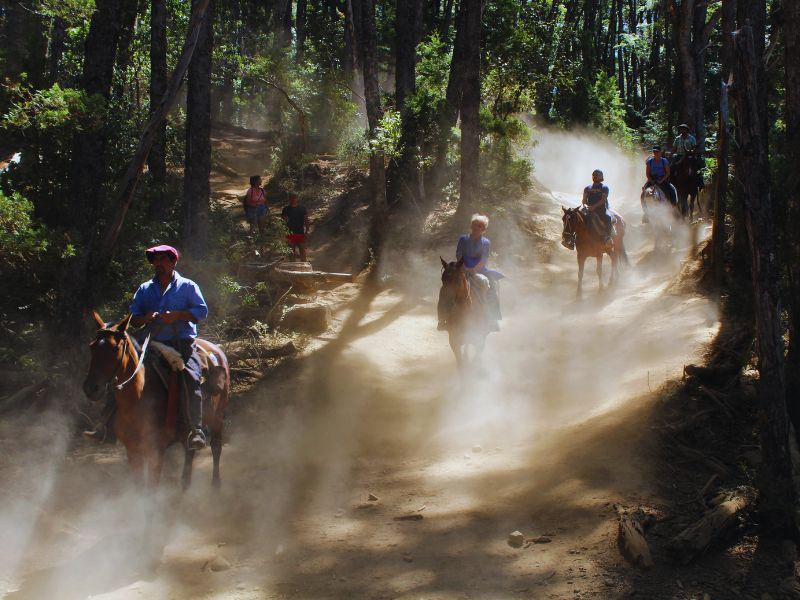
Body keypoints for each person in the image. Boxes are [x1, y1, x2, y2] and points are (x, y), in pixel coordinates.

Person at [84, 245, 210, 450]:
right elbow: (133, 319)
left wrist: (178, 315)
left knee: (191, 377)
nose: (157, 264)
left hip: (181, 343)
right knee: (120, 373)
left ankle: (195, 430)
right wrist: (145, 318)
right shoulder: (144, 289)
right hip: (150, 343)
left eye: (162, 260)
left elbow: (201, 311)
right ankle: (105, 426)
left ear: (173, 262)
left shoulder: (188, 286)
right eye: (155, 261)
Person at [437, 214, 504, 332]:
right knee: (446, 288)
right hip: (462, 266)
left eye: (478, 226)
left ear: (483, 229)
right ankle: (442, 319)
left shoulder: (486, 242)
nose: (475, 228)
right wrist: (464, 267)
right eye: (473, 225)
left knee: (492, 286)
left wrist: (474, 269)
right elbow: (459, 254)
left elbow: (484, 259)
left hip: (480, 268)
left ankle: (492, 319)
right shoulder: (463, 239)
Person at [582, 169, 614, 244]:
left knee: (607, 218)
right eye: (593, 174)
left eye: (597, 175)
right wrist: (587, 206)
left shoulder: (604, 187)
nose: (595, 176)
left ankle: (607, 237)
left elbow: (603, 200)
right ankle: (571, 238)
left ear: (601, 177)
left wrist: (593, 207)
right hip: (589, 209)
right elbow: (584, 200)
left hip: (601, 209)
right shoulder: (587, 188)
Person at [672, 124, 704, 190]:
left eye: (684, 129)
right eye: (681, 129)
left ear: (687, 130)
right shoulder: (677, 138)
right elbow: (674, 148)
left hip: (689, 155)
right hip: (679, 155)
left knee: (700, 164)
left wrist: (692, 152)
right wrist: (670, 154)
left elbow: (694, 148)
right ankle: (672, 181)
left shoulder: (692, 138)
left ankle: (700, 182)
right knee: (672, 166)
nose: (682, 130)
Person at [281, 192, 309, 261]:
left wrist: (307, 230)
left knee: (302, 250)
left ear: (297, 198)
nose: (293, 200)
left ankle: (304, 265)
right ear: (289, 199)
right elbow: (283, 222)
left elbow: (306, 220)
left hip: (300, 232)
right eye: (291, 198)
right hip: (290, 232)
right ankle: (293, 266)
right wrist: (284, 233)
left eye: (294, 198)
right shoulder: (286, 209)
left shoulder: (302, 208)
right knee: (291, 252)